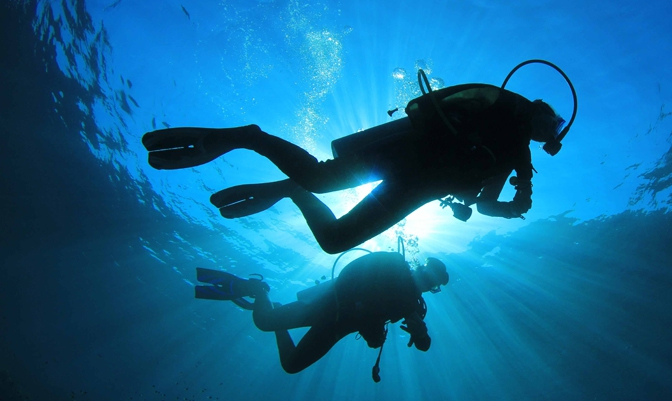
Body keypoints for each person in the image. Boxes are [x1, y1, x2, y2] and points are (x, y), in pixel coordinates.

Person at [143, 83, 566, 254]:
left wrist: (512, 208)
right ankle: (250, 137)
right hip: (406, 154)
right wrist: (521, 189)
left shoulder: (513, 156)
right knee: (320, 178)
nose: (553, 132)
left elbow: (486, 204)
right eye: (553, 123)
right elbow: (440, 115)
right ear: (539, 111)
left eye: (557, 129)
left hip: (417, 190)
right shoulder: (506, 116)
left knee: (335, 240)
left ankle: (292, 189)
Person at [194, 252, 449, 378]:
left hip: (336, 328)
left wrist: (421, 333)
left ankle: (272, 308)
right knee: (263, 321)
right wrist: (361, 315)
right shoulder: (393, 264)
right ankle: (259, 290)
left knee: (291, 365)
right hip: (323, 305)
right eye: (429, 276)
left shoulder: (413, 307)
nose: (427, 284)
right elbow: (351, 271)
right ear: (420, 267)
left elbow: (424, 345)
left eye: (433, 284)